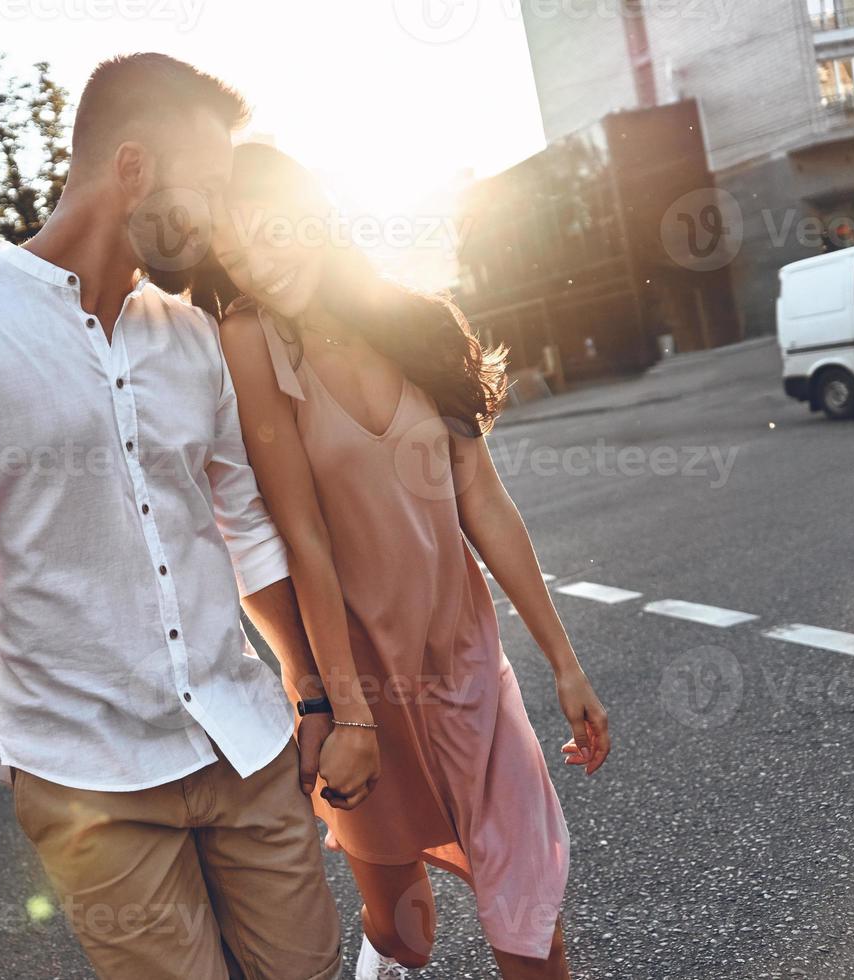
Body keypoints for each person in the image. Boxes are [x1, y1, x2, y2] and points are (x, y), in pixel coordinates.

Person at [0, 56, 377, 980]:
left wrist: (315, 696)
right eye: (207, 189)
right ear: (132, 169)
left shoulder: (190, 335)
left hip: (241, 740)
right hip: (86, 774)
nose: (218, 218)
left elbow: (246, 527)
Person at [196, 143, 612, 979]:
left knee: (532, 922)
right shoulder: (250, 338)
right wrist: (343, 711)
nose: (259, 266)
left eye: (268, 235)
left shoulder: (420, 326)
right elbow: (300, 534)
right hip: (364, 680)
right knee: (403, 933)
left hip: (465, 667)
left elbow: (484, 503)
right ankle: (382, 950)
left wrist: (565, 663)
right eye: (236, 253)